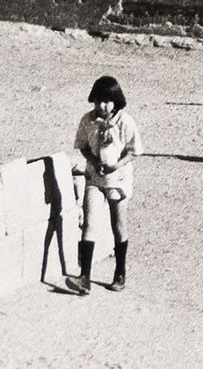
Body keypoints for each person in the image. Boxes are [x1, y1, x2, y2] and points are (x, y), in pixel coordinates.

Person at [68, 75, 141, 294]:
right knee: (89, 222)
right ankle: (85, 278)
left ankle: (120, 273)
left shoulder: (125, 122)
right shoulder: (87, 120)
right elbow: (82, 145)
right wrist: (93, 161)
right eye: (99, 100)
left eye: (107, 101)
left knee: (118, 225)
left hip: (117, 181)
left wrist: (116, 165)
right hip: (94, 179)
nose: (102, 106)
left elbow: (134, 151)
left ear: (116, 101)